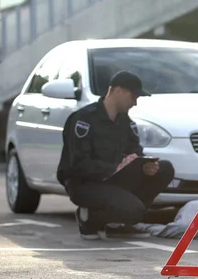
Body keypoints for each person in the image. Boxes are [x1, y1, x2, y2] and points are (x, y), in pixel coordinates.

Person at [56, 70, 175, 240]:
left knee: (165, 168)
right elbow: (78, 164)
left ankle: (118, 223)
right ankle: (90, 218)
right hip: (85, 183)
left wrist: (145, 165)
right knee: (135, 210)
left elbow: (135, 150)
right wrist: (115, 167)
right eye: (133, 97)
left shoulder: (125, 122)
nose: (134, 103)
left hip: (114, 180)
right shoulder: (83, 119)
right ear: (118, 91)